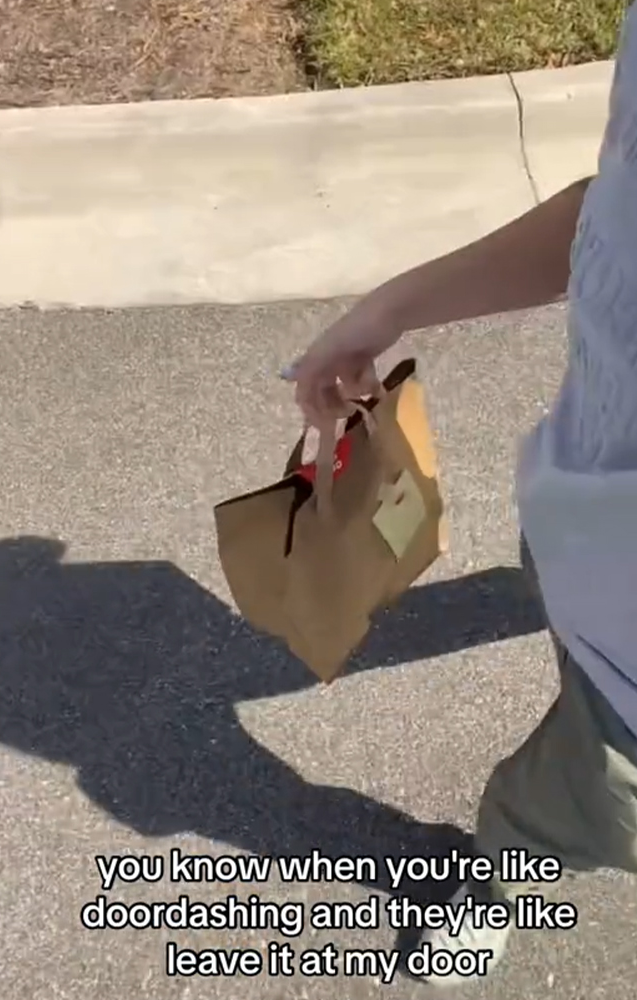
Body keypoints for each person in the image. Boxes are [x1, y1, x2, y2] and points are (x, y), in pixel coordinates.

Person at [284, 12, 637, 987]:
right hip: (574, 514)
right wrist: (386, 310)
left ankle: (505, 873)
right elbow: (611, 205)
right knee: (578, 755)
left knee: (583, 801)